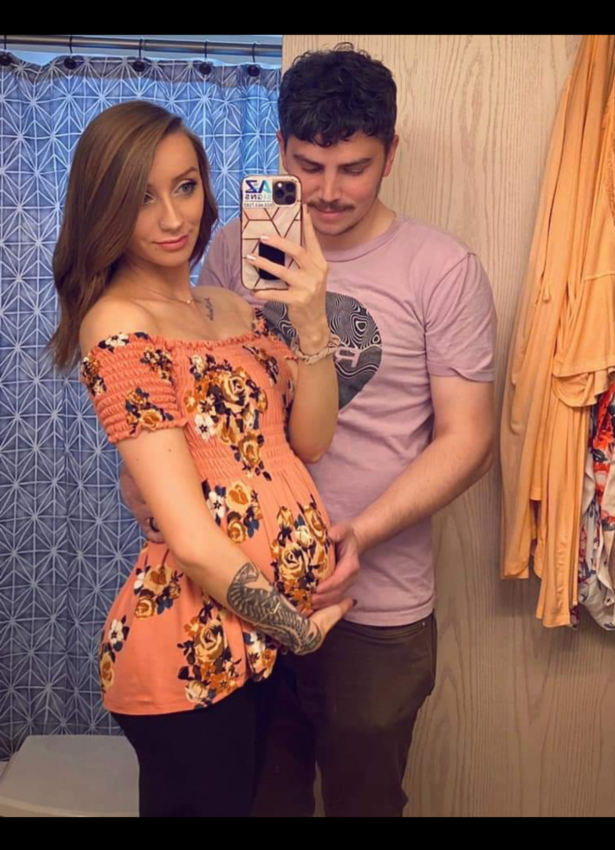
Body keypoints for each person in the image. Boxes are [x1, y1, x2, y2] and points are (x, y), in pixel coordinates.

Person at [124, 44, 497, 818]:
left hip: (374, 606)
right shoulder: (236, 250)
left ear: (391, 153)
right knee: (259, 799)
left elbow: (468, 438)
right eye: (308, 165)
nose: (328, 192)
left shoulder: (442, 269)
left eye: (353, 168)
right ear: (282, 148)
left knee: (365, 802)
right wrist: (148, 485)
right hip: (238, 591)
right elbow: (192, 400)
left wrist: (363, 531)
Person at [49, 99, 352, 818]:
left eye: (184, 187)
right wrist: (297, 629)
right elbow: (187, 538)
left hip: (259, 642)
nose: (171, 218)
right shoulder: (118, 323)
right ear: (104, 210)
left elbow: (311, 440)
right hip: (190, 648)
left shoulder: (231, 308)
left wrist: (311, 319)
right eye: (140, 198)